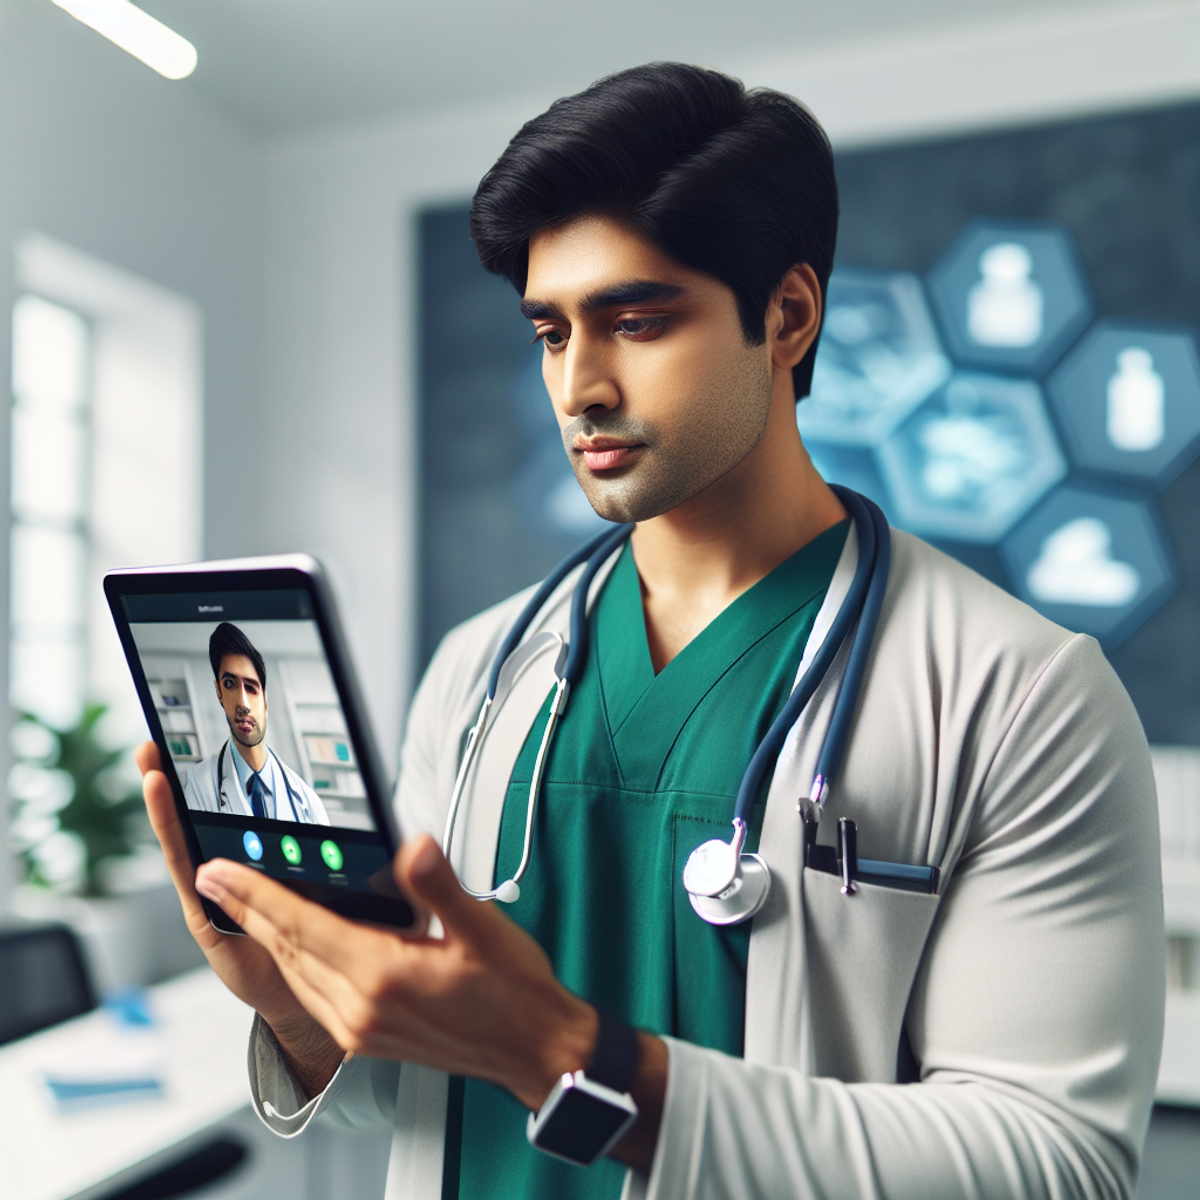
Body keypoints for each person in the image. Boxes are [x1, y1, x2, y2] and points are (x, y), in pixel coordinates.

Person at [138, 64, 1164, 1199]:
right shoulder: (483, 671)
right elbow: (419, 1086)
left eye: (635, 321)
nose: (578, 385)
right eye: (549, 331)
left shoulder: (1022, 695)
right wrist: (297, 1009)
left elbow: (1058, 1164)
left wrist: (571, 1059)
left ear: (787, 315)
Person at [182, 621, 330, 825]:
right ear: (219, 693)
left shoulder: (309, 803)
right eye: (230, 685)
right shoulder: (198, 785)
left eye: (251, 688)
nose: (243, 704)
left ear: (265, 699)